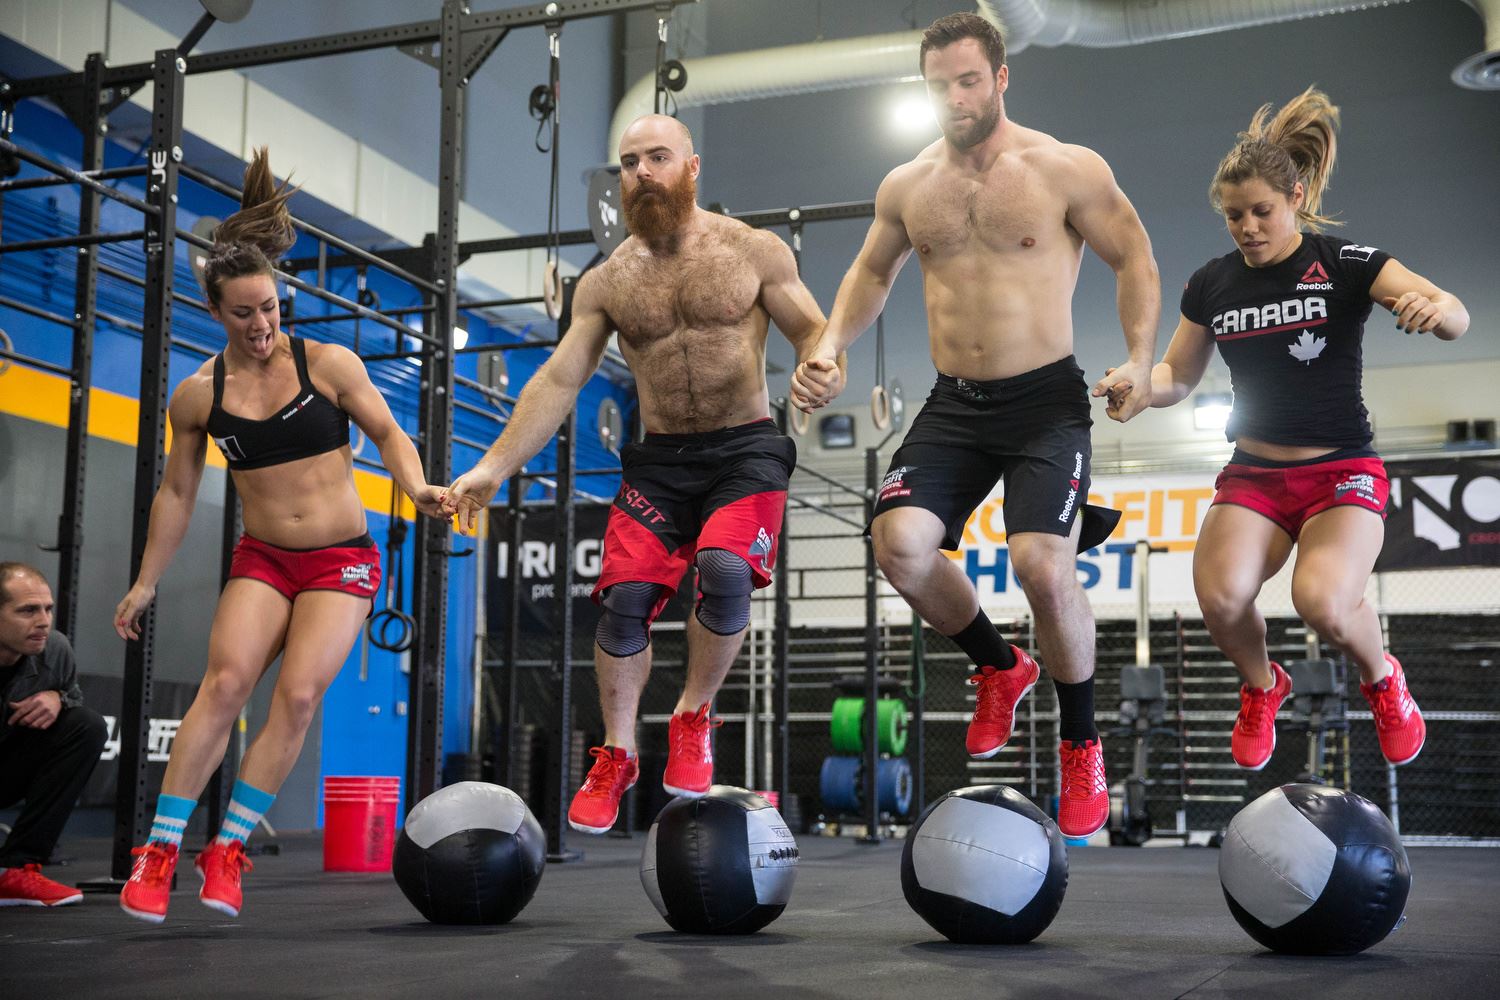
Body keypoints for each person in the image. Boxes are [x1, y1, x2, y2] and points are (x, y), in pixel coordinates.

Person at [791, 12, 1158, 839]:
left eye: (966, 81)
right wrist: (827, 345)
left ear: (999, 78)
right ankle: (1000, 666)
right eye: (936, 86)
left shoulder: (1064, 168)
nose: (953, 100)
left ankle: (1079, 740)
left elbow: (1133, 254)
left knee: (1040, 564)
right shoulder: (907, 184)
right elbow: (868, 271)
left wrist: (1139, 357)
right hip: (955, 402)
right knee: (899, 546)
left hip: (1045, 404)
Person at [442, 114, 827, 836]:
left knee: (723, 566)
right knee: (621, 602)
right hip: (659, 460)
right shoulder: (608, 280)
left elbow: (810, 329)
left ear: (692, 166)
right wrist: (492, 467)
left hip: (744, 449)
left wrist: (819, 365)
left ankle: (692, 715)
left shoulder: (752, 251)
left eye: (657, 157)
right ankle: (618, 752)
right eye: (628, 163)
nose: (642, 172)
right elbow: (559, 379)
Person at [113, 148, 447, 923]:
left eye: (269, 308)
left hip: (342, 561)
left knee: (296, 698)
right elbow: (178, 492)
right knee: (224, 686)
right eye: (243, 313)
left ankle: (225, 850)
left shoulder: (329, 364)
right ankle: (158, 852)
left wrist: (417, 485)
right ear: (214, 310)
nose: (261, 324)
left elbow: (392, 435)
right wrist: (143, 582)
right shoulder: (199, 396)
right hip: (264, 560)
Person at [1124, 87, 1467, 772]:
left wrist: (1436, 310)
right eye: (1233, 217)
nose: (1247, 227)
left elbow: (1454, 311)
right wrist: (1137, 390)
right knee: (1220, 598)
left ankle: (1382, 679)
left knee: (1322, 602)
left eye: (1261, 212)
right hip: (1254, 473)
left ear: (1297, 196)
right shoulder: (1212, 284)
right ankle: (1262, 686)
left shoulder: (1345, 264)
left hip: (1341, 472)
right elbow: (1176, 377)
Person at [0, 563, 109, 907]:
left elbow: (73, 696)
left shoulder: (54, 649)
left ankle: (16, 870)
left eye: (48, 609)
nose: (43, 621)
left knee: (87, 726)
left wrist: (58, 698)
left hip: (6, 768)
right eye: (28, 611)